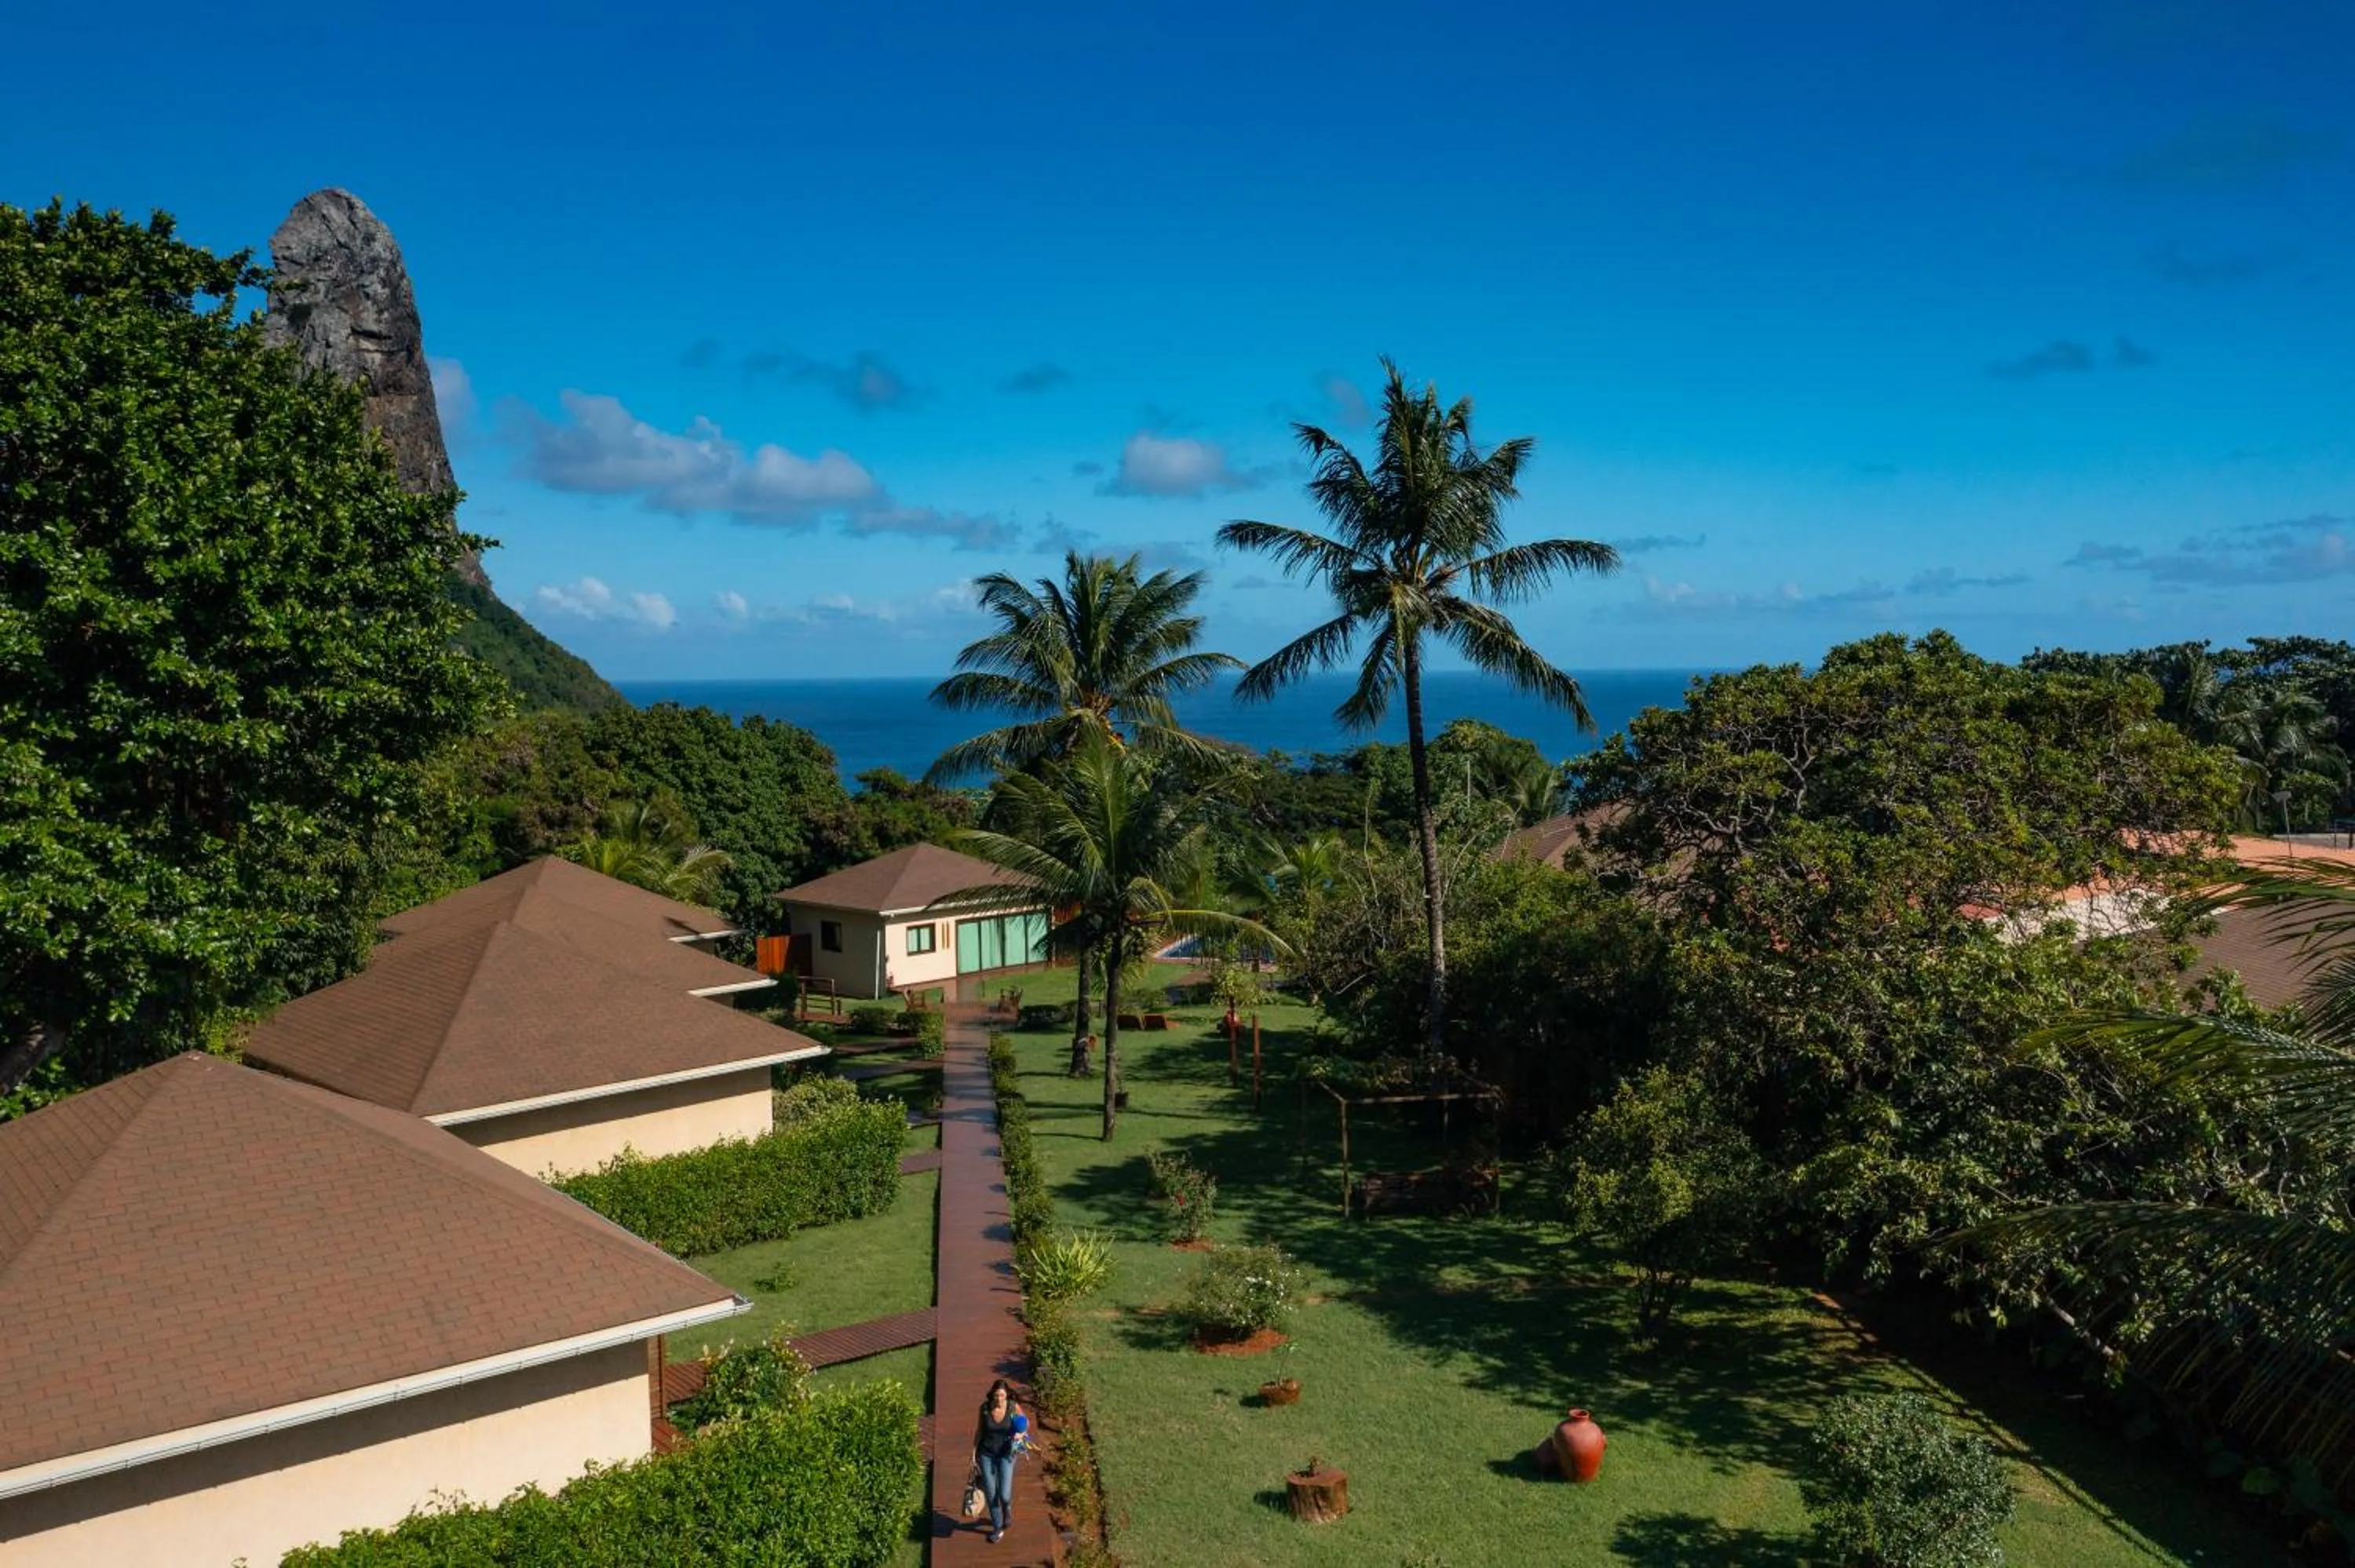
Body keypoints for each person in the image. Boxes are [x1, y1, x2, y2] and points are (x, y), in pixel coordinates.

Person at [970, 1378, 1025, 1544]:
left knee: (1004, 1493)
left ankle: (1007, 1507)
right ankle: (997, 1527)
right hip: (986, 1454)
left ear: (1007, 1395)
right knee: (991, 1492)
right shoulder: (985, 1409)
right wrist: (973, 1454)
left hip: (1007, 1454)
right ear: (992, 1395)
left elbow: (1024, 1423)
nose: (999, 1399)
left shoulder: (1012, 1407)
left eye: (1002, 1395)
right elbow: (979, 1431)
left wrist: (1020, 1434)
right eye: (996, 1396)